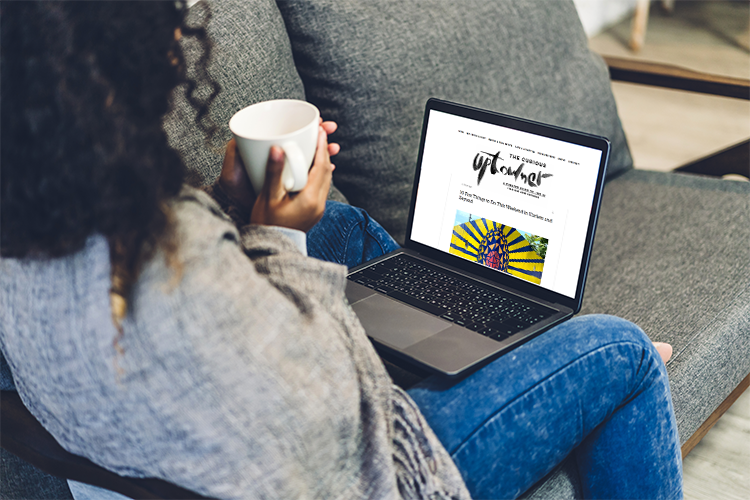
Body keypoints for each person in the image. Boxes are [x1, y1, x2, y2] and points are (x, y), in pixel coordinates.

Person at [0, 2, 682, 499]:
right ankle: (555, 368)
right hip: (361, 468)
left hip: (179, 427)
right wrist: (277, 230)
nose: (177, 40)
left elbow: (202, 309)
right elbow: (324, 413)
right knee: (619, 350)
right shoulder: (185, 277)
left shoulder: (33, 222)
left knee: (345, 228)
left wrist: (234, 202)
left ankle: (460, 343)